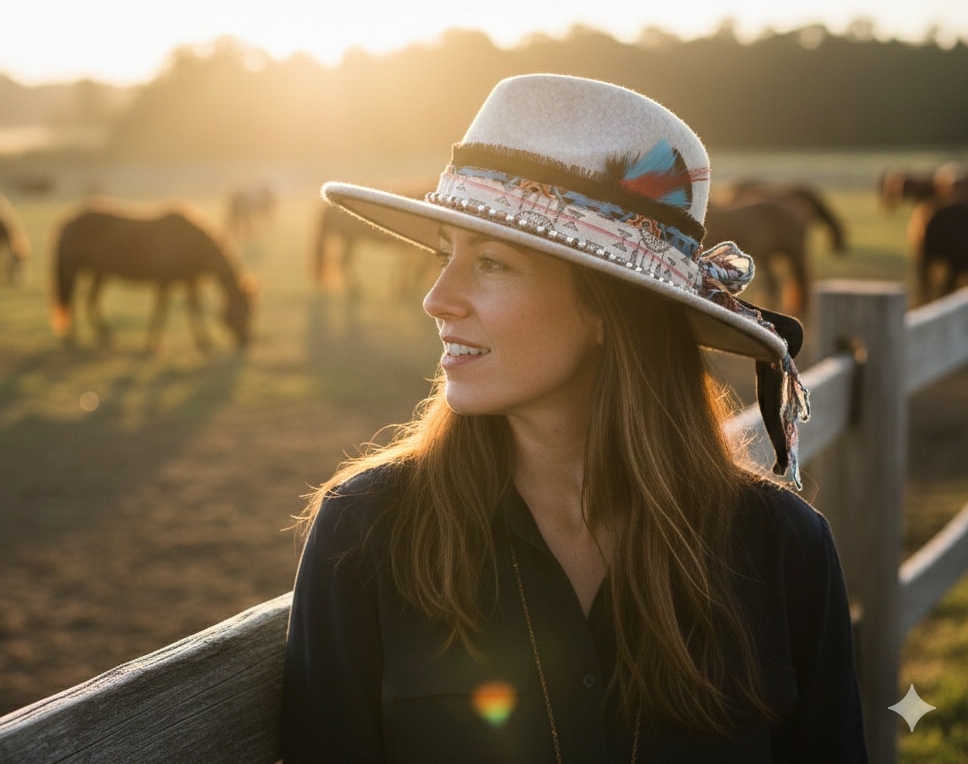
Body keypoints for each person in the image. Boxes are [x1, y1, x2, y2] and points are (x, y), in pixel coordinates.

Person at [280, 74, 868, 762]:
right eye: (446, 255)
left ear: (606, 312)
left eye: (491, 263)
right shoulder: (366, 533)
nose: (438, 298)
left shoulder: (781, 549)